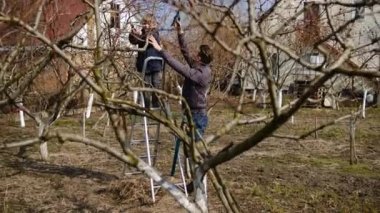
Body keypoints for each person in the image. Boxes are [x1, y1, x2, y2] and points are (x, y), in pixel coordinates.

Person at [148, 21, 213, 143]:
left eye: (197, 53)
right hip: (189, 113)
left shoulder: (201, 74)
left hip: (197, 117)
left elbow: (177, 66)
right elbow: (185, 52)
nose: (194, 54)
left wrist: (160, 50)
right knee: (187, 149)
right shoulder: (198, 66)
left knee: (194, 150)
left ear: (200, 57)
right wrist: (180, 32)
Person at [129, 14, 163, 108]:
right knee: (146, 86)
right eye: (145, 23)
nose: (146, 26)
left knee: (156, 84)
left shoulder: (155, 33)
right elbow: (134, 41)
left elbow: (149, 39)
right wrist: (133, 34)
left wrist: (141, 35)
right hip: (144, 65)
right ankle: (146, 106)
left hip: (155, 65)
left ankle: (156, 104)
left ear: (153, 24)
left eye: (148, 24)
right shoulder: (142, 34)